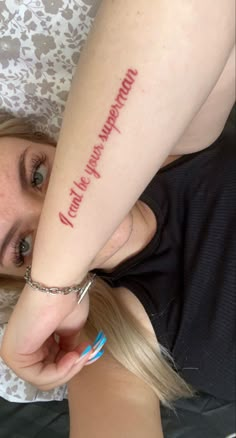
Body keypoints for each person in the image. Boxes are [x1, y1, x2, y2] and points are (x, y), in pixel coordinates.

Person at [0, 0, 235, 417]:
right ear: (15, 279)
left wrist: (52, 279)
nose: (50, 215)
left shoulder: (178, 141)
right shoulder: (106, 345)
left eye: (37, 175)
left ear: (59, 144)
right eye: (23, 245)